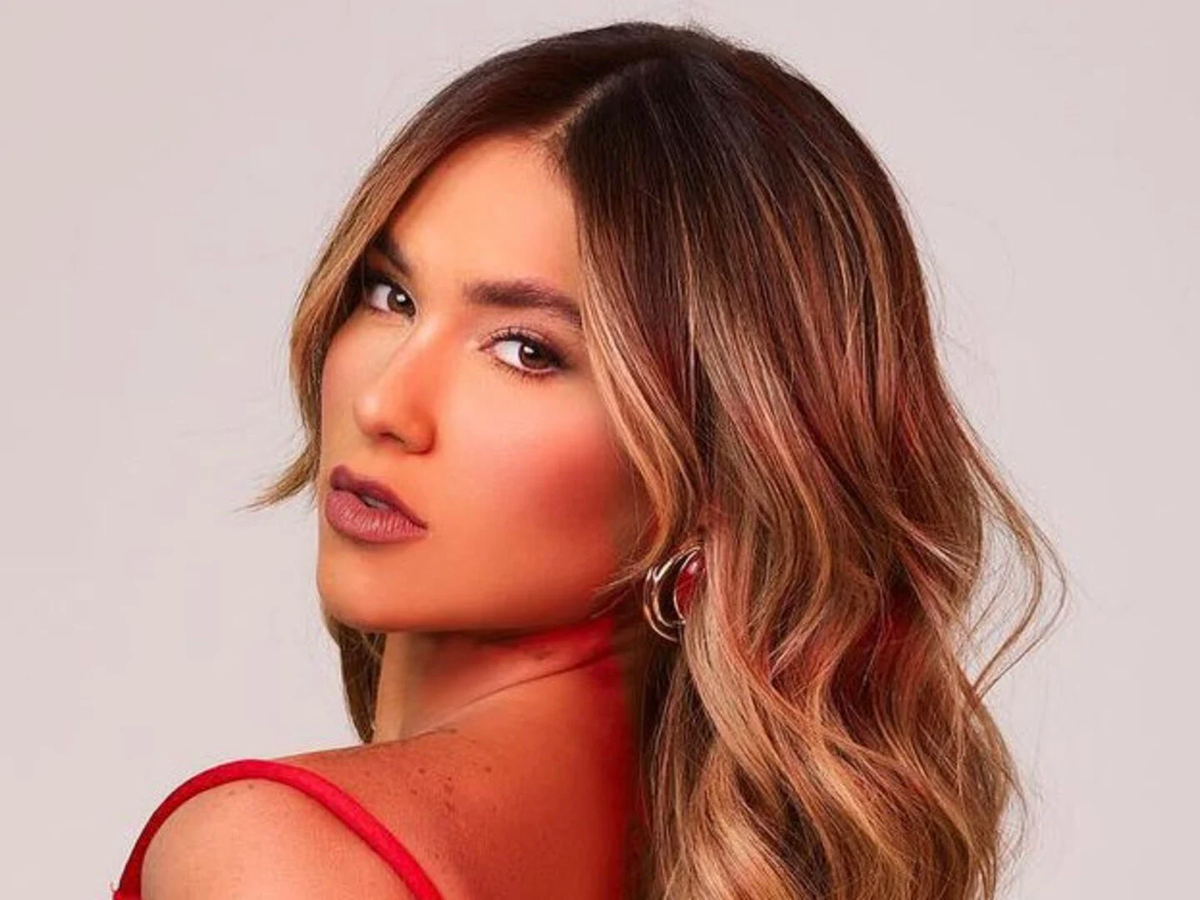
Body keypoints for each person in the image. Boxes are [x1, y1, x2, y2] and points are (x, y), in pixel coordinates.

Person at [111, 18, 1067, 900]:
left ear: (719, 477)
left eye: (526, 349)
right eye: (390, 295)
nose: (382, 404)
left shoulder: (272, 856)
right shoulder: (735, 871)